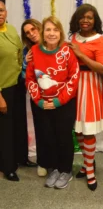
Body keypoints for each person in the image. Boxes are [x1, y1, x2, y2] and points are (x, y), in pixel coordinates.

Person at [26, 16, 80, 189]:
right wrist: (40, 101)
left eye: (55, 30)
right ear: (43, 32)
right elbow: (30, 79)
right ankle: (55, 169)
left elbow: (74, 78)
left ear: (60, 32)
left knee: (63, 137)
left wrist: (58, 101)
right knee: (48, 137)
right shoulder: (34, 51)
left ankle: (66, 170)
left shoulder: (67, 51)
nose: (51, 33)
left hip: (63, 104)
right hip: (41, 104)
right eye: (48, 29)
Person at [68, 3, 103, 191]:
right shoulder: (72, 38)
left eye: (89, 17)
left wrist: (80, 55)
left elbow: (102, 68)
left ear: (95, 21)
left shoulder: (100, 40)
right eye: (82, 17)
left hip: (91, 85)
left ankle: (90, 171)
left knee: (88, 129)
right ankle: (85, 163)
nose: (85, 20)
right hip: (74, 85)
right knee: (77, 130)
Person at [20, 19, 48, 177]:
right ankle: (43, 162)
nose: (31, 34)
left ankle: (60, 162)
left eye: (33, 29)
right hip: (37, 97)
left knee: (57, 130)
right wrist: (25, 63)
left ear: (40, 27)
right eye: (27, 33)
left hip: (58, 96)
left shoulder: (54, 42)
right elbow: (24, 77)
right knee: (41, 129)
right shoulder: (27, 51)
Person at [0, 0, 23, 181]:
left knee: (16, 125)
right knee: (5, 130)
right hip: (2, 89)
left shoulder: (12, 29)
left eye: (1, 10)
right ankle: (8, 167)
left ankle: (18, 159)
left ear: (6, 12)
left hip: (16, 85)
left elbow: (18, 54)